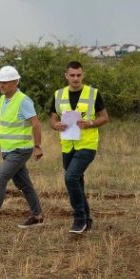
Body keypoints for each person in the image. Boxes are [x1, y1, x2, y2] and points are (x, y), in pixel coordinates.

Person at [0, 66, 44, 229]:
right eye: (0, 82)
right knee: (24, 184)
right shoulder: (2, 99)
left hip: (20, 150)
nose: (1, 86)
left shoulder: (23, 101)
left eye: (5, 82)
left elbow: (36, 124)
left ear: (15, 82)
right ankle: (38, 215)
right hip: (7, 151)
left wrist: (38, 146)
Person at [50, 61, 109, 234]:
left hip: (87, 145)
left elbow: (104, 117)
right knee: (77, 181)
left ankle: (79, 219)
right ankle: (87, 218)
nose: (75, 78)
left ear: (83, 75)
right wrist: (56, 125)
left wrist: (90, 123)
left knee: (70, 178)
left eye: (78, 75)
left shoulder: (93, 94)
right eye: (72, 75)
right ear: (66, 76)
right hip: (67, 145)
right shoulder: (58, 94)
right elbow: (52, 118)